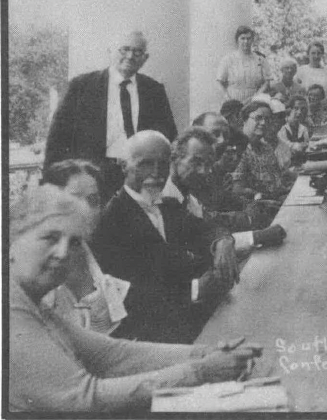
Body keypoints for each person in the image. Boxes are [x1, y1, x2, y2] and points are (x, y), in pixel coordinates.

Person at [9, 185, 261, 412]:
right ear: (11, 238)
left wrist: (205, 353)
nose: (63, 253)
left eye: (74, 242)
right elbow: (84, 396)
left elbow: (110, 354)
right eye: (50, 238)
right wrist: (202, 370)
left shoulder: (30, 301)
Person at [92, 131, 240, 344]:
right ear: (124, 165)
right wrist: (195, 290)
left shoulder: (168, 206)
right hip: (150, 338)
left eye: (163, 165)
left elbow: (208, 227)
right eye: (145, 164)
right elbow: (129, 298)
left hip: (190, 321)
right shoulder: (109, 222)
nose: (156, 174)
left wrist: (223, 241)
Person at [44, 30, 177, 196]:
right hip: (92, 176)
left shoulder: (154, 90)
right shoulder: (81, 86)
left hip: (138, 177)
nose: (130, 56)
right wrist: (51, 182)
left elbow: (167, 133)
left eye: (137, 51)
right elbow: (57, 138)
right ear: (111, 51)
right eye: (124, 49)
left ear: (145, 58)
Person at [40, 160, 129, 335]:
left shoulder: (105, 253)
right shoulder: (37, 265)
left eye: (93, 200)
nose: (85, 209)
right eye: (74, 199)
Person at [162, 127, 286, 249]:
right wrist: (255, 236)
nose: (203, 171)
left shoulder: (187, 193)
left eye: (208, 165)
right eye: (196, 162)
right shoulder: (164, 198)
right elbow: (197, 242)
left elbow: (209, 225)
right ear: (174, 158)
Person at [231, 100, 296, 202]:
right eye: (258, 118)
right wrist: (260, 196)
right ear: (244, 119)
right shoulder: (238, 149)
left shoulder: (266, 148)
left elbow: (276, 183)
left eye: (268, 119)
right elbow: (237, 189)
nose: (264, 123)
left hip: (275, 201)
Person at [216, 26, 270, 104]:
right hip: (233, 101)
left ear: (252, 40)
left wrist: (256, 98)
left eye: (249, 38)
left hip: (254, 102)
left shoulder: (260, 60)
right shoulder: (228, 59)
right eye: (243, 38)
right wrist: (228, 99)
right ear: (237, 40)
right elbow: (219, 82)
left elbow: (267, 82)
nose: (246, 41)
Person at [295, 41, 327, 107]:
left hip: (324, 109)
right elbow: (295, 91)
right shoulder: (301, 70)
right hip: (306, 110)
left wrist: (325, 103)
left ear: (322, 55)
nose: (316, 56)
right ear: (308, 55)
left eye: (319, 53)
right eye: (313, 53)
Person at [278, 95, 311, 163]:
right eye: (296, 108)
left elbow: (307, 146)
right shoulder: (282, 129)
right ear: (289, 110)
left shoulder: (303, 129)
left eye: (302, 109)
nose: (299, 112)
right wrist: (302, 145)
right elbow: (291, 147)